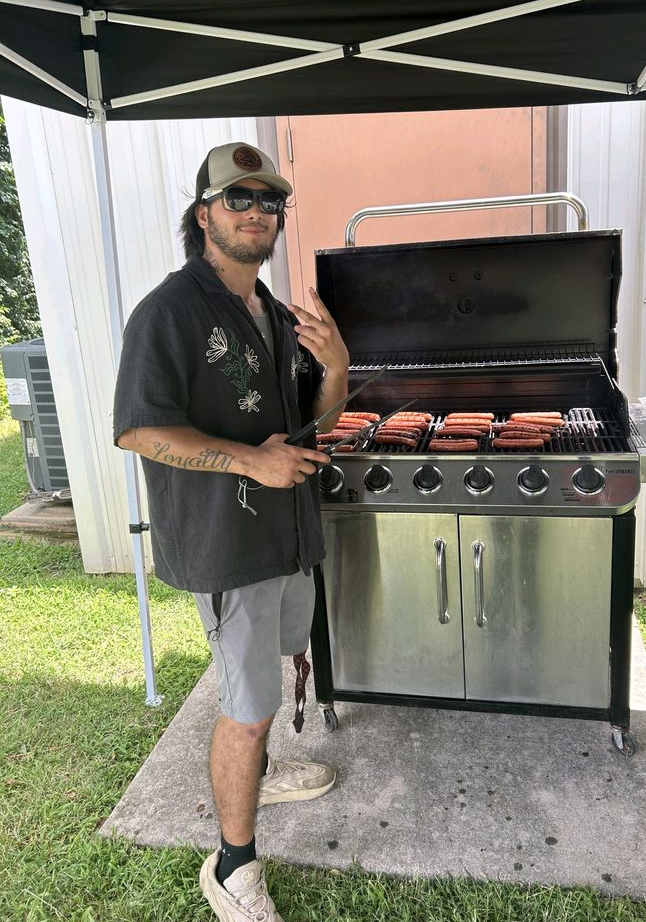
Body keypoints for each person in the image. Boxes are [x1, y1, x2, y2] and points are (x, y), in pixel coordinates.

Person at [113, 141, 350, 922]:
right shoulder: (170, 312)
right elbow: (139, 431)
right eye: (238, 199)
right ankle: (233, 868)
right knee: (245, 707)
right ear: (203, 213)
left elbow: (310, 427)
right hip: (228, 544)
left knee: (276, 672)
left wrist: (339, 367)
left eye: (269, 202)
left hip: (287, 535)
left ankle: (261, 774)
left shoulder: (276, 314)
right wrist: (251, 461)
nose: (257, 213)